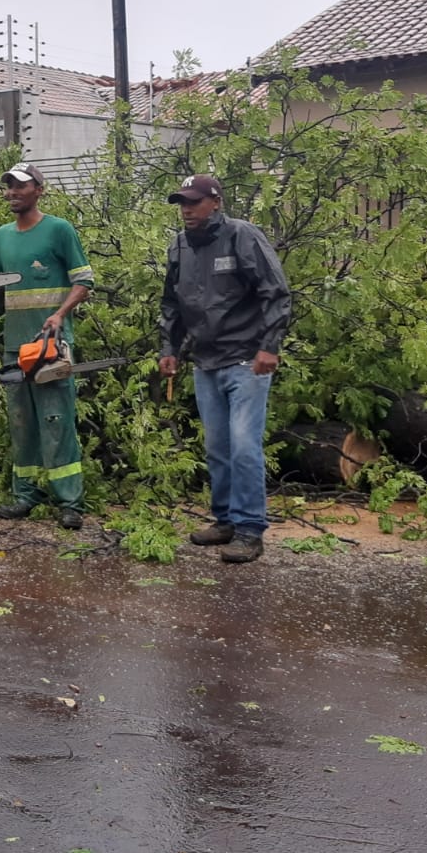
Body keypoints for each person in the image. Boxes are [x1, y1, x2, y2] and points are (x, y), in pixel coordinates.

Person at [157, 174, 292, 563]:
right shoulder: (180, 245)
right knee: (217, 447)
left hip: (246, 358)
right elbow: (171, 303)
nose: (186, 210)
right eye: (182, 203)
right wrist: (169, 348)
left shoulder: (242, 235)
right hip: (205, 360)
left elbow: (275, 292)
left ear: (215, 202)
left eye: (194, 202)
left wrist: (269, 346)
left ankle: (250, 530)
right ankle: (226, 520)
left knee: (244, 445)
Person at [0, 163, 94, 530]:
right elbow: (0, 287)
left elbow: (84, 281)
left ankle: (69, 502)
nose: (12, 192)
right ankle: (26, 495)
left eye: (20, 186)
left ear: (39, 189)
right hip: (15, 347)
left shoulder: (59, 230)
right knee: (21, 423)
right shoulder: (2, 236)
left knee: (56, 421)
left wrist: (60, 314)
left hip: (51, 346)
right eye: (8, 186)